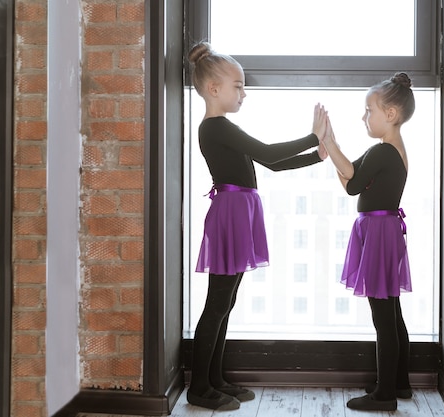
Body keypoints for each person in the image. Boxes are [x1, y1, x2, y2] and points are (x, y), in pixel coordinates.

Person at [186, 41, 328, 410]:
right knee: (217, 303)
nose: (243, 93)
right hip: (232, 212)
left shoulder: (225, 128)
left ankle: (215, 379)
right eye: (238, 86)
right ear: (214, 89)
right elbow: (267, 152)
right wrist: (313, 136)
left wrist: (316, 155)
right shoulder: (215, 127)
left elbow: (272, 165)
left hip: (241, 209)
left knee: (226, 301)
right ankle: (199, 387)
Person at [319, 72, 416, 412]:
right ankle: (399, 384)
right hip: (382, 231)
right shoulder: (387, 151)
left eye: (368, 110)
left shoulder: (384, 152)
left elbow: (353, 181)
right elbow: (350, 181)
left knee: (383, 316)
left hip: (379, 234)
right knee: (392, 312)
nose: (365, 117)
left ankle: (384, 393)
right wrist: (331, 148)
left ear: (390, 114)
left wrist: (329, 142)